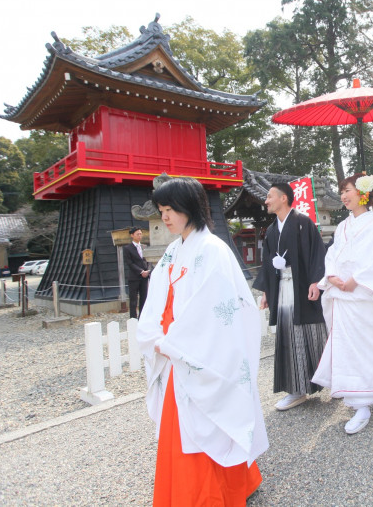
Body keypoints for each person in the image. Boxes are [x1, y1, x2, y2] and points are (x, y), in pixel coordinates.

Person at [137, 176, 268, 505]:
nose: (165, 217)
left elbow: (216, 312)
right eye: (162, 210)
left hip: (192, 349)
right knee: (191, 424)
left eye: (170, 209)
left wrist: (172, 342)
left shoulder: (212, 250)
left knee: (203, 420)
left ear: (189, 208)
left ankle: (206, 496)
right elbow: (157, 298)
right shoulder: (172, 250)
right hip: (173, 346)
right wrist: (153, 332)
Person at [312, 174, 373, 434]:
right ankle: (360, 405)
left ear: (363, 194)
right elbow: (333, 254)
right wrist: (331, 276)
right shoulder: (343, 225)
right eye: (342, 191)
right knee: (350, 350)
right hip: (344, 296)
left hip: (366, 295)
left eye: (348, 191)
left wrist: (356, 280)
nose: (344, 196)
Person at [253, 182, 329, 411]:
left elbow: (318, 253)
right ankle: (297, 389)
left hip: (304, 288)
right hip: (283, 289)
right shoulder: (272, 230)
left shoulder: (303, 222)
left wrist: (317, 281)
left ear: (284, 198)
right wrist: (267, 291)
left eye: (269, 196)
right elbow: (267, 263)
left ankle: (332, 380)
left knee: (314, 333)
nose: (266, 201)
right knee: (289, 334)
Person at [123, 227, 151, 319]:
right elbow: (129, 263)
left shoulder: (144, 246)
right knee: (133, 299)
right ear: (132, 235)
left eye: (140, 234)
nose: (140, 236)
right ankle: (133, 318)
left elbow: (146, 260)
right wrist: (141, 271)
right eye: (137, 234)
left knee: (144, 297)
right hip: (134, 276)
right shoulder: (127, 248)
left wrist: (147, 271)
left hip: (144, 276)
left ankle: (142, 317)